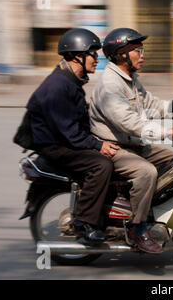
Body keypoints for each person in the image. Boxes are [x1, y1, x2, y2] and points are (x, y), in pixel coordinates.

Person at [89, 28, 173, 254]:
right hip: (115, 147)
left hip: (133, 143)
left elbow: (151, 104)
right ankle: (137, 227)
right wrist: (169, 133)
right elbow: (131, 123)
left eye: (142, 50)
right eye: (137, 50)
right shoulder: (110, 85)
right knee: (146, 172)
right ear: (121, 54)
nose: (142, 55)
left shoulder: (130, 79)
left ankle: (156, 210)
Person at [26, 28, 120, 243]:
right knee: (100, 165)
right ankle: (84, 223)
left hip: (64, 139)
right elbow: (69, 131)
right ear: (78, 55)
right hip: (55, 145)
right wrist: (98, 146)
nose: (97, 60)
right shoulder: (58, 86)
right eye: (93, 54)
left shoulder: (70, 81)